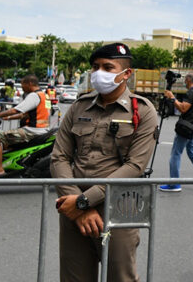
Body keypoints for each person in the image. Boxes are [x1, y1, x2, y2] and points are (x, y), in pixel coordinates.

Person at [50, 43, 158, 282]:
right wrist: (76, 205)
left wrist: (84, 201)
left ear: (127, 73)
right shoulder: (78, 106)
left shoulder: (143, 111)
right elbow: (59, 157)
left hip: (118, 208)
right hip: (72, 206)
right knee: (73, 277)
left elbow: (134, 167)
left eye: (108, 67)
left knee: (120, 277)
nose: (100, 73)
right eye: (96, 67)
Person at [0, 74, 51, 177]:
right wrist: (8, 118)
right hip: (43, 130)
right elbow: (27, 114)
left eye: (23, 85)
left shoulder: (34, 95)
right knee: (6, 141)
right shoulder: (44, 95)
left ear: (30, 83)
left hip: (32, 131)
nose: (22, 87)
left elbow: (16, 110)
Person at [160, 72, 193, 193]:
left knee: (175, 154)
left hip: (187, 128)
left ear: (189, 80)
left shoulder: (191, 92)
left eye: (185, 79)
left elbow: (183, 108)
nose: (183, 81)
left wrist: (172, 98)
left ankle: (174, 184)